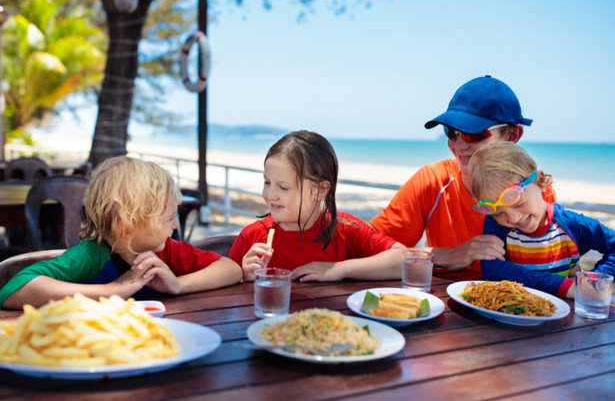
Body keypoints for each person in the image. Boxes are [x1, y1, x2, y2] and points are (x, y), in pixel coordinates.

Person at [0, 156, 243, 309]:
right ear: (128, 223)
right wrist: (112, 290)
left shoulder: (167, 251)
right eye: (169, 217)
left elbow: (231, 269)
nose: (176, 226)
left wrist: (177, 285)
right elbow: (13, 289)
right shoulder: (91, 255)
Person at [370, 75, 556, 272]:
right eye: (451, 132)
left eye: (473, 134)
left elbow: (559, 262)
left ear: (511, 136)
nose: (458, 145)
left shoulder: (538, 190)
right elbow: (369, 245)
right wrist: (446, 255)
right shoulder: (433, 181)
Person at [228, 130, 406, 282]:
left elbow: (405, 260)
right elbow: (225, 296)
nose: (270, 194)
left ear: (321, 190)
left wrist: (339, 269)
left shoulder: (346, 229)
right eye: (267, 182)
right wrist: (244, 276)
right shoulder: (252, 237)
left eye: (283, 187)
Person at [469, 141, 615, 298]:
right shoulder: (497, 226)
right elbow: (493, 270)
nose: (512, 218)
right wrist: (562, 286)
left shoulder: (571, 225)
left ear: (541, 180)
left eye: (518, 203)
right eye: (498, 213)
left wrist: (592, 280)